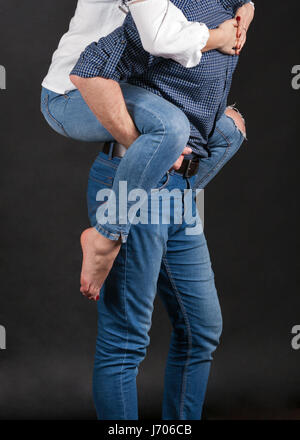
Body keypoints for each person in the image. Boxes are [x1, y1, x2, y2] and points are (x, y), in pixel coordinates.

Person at [41, 0, 254, 419]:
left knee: (202, 330)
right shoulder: (138, 30)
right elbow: (155, 39)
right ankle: (107, 233)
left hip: (173, 188)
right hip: (128, 170)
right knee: (125, 343)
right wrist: (224, 36)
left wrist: (244, 12)